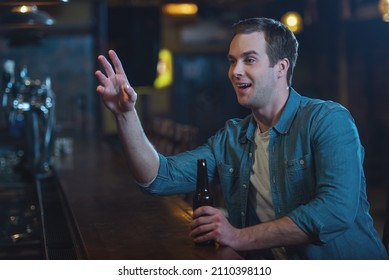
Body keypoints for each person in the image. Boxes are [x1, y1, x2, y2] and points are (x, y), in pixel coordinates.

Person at [95, 17, 388, 260]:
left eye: (249, 60)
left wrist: (238, 236)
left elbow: (335, 211)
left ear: (281, 68)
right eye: (232, 61)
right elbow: (158, 178)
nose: (235, 72)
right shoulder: (233, 137)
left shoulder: (327, 120)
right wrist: (125, 115)